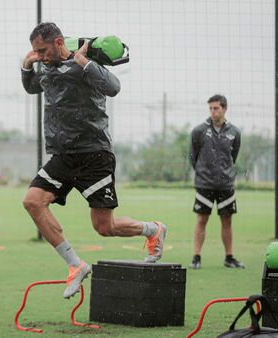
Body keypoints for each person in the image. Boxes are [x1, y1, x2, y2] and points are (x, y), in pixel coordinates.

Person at [21, 22, 168, 299]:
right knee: (32, 201)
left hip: (94, 154)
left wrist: (85, 62)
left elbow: (113, 87)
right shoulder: (47, 69)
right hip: (62, 156)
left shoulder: (83, 62)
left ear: (58, 42)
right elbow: (32, 87)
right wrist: (26, 66)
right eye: (35, 51)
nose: (39, 55)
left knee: (105, 227)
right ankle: (75, 265)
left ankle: (153, 230)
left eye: (42, 50)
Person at [189, 94, 244, 269]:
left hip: (226, 185)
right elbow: (193, 156)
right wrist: (203, 173)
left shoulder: (234, 132)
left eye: (216, 108)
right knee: (201, 220)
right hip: (204, 184)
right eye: (210, 108)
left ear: (224, 108)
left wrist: (224, 173)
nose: (213, 112)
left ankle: (229, 258)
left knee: (227, 221)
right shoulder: (198, 131)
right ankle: (196, 258)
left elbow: (233, 157)